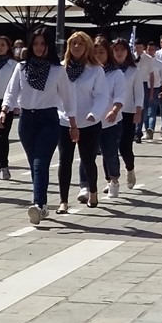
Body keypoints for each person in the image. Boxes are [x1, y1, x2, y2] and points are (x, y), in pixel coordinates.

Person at [0, 29, 76, 225]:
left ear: (49, 46)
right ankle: (42, 203)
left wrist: (73, 124)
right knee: (34, 164)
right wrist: (4, 110)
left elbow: (68, 99)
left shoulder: (57, 70)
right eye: (35, 44)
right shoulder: (21, 67)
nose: (39, 47)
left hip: (48, 119)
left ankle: (38, 204)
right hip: (27, 120)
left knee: (40, 164)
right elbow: (11, 91)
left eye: (43, 44)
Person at [55, 32, 107, 214]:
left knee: (87, 160)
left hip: (88, 122)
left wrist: (95, 113)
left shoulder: (95, 70)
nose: (77, 47)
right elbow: (55, 94)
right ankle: (63, 201)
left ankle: (92, 191)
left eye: (81, 44)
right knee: (64, 160)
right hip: (65, 121)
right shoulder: (60, 68)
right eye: (74, 43)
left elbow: (102, 95)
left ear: (87, 47)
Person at [81, 36, 130, 199]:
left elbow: (120, 96)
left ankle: (114, 180)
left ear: (108, 53)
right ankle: (85, 186)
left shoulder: (116, 74)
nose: (97, 56)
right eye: (94, 52)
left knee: (110, 154)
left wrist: (114, 110)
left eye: (101, 52)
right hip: (88, 122)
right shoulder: (85, 71)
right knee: (87, 155)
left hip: (110, 122)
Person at [111, 39, 143, 190]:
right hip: (110, 113)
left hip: (128, 112)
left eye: (122, 50)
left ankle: (130, 169)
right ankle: (112, 179)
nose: (119, 53)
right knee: (110, 147)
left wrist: (138, 111)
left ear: (127, 52)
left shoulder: (134, 71)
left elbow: (139, 93)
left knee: (125, 147)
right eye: (116, 50)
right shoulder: (106, 69)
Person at [0, 36, 18, 180]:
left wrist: (16, 105)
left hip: (6, 104)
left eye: (2, 45)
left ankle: (4, 167)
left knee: (2, 136)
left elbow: (17, 87)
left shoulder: (13, 65)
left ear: (8, 47)